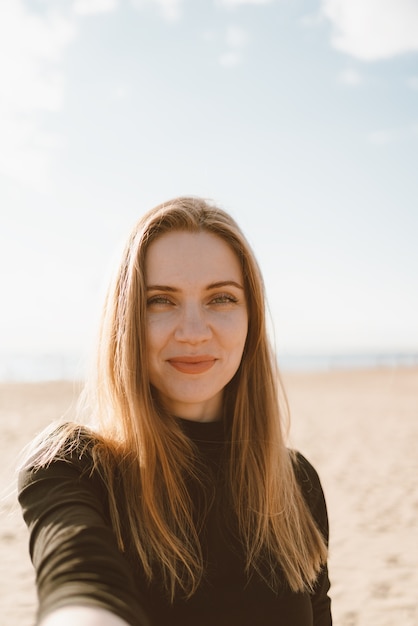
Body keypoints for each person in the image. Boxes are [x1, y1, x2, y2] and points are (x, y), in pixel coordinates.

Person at [18, 196, 332, 626]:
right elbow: (79, 582)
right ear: (125, 320)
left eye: (221, 298)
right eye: (160, 301)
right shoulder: (73, 466)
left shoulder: (295, 483)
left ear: (251, 319)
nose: (193, 332)